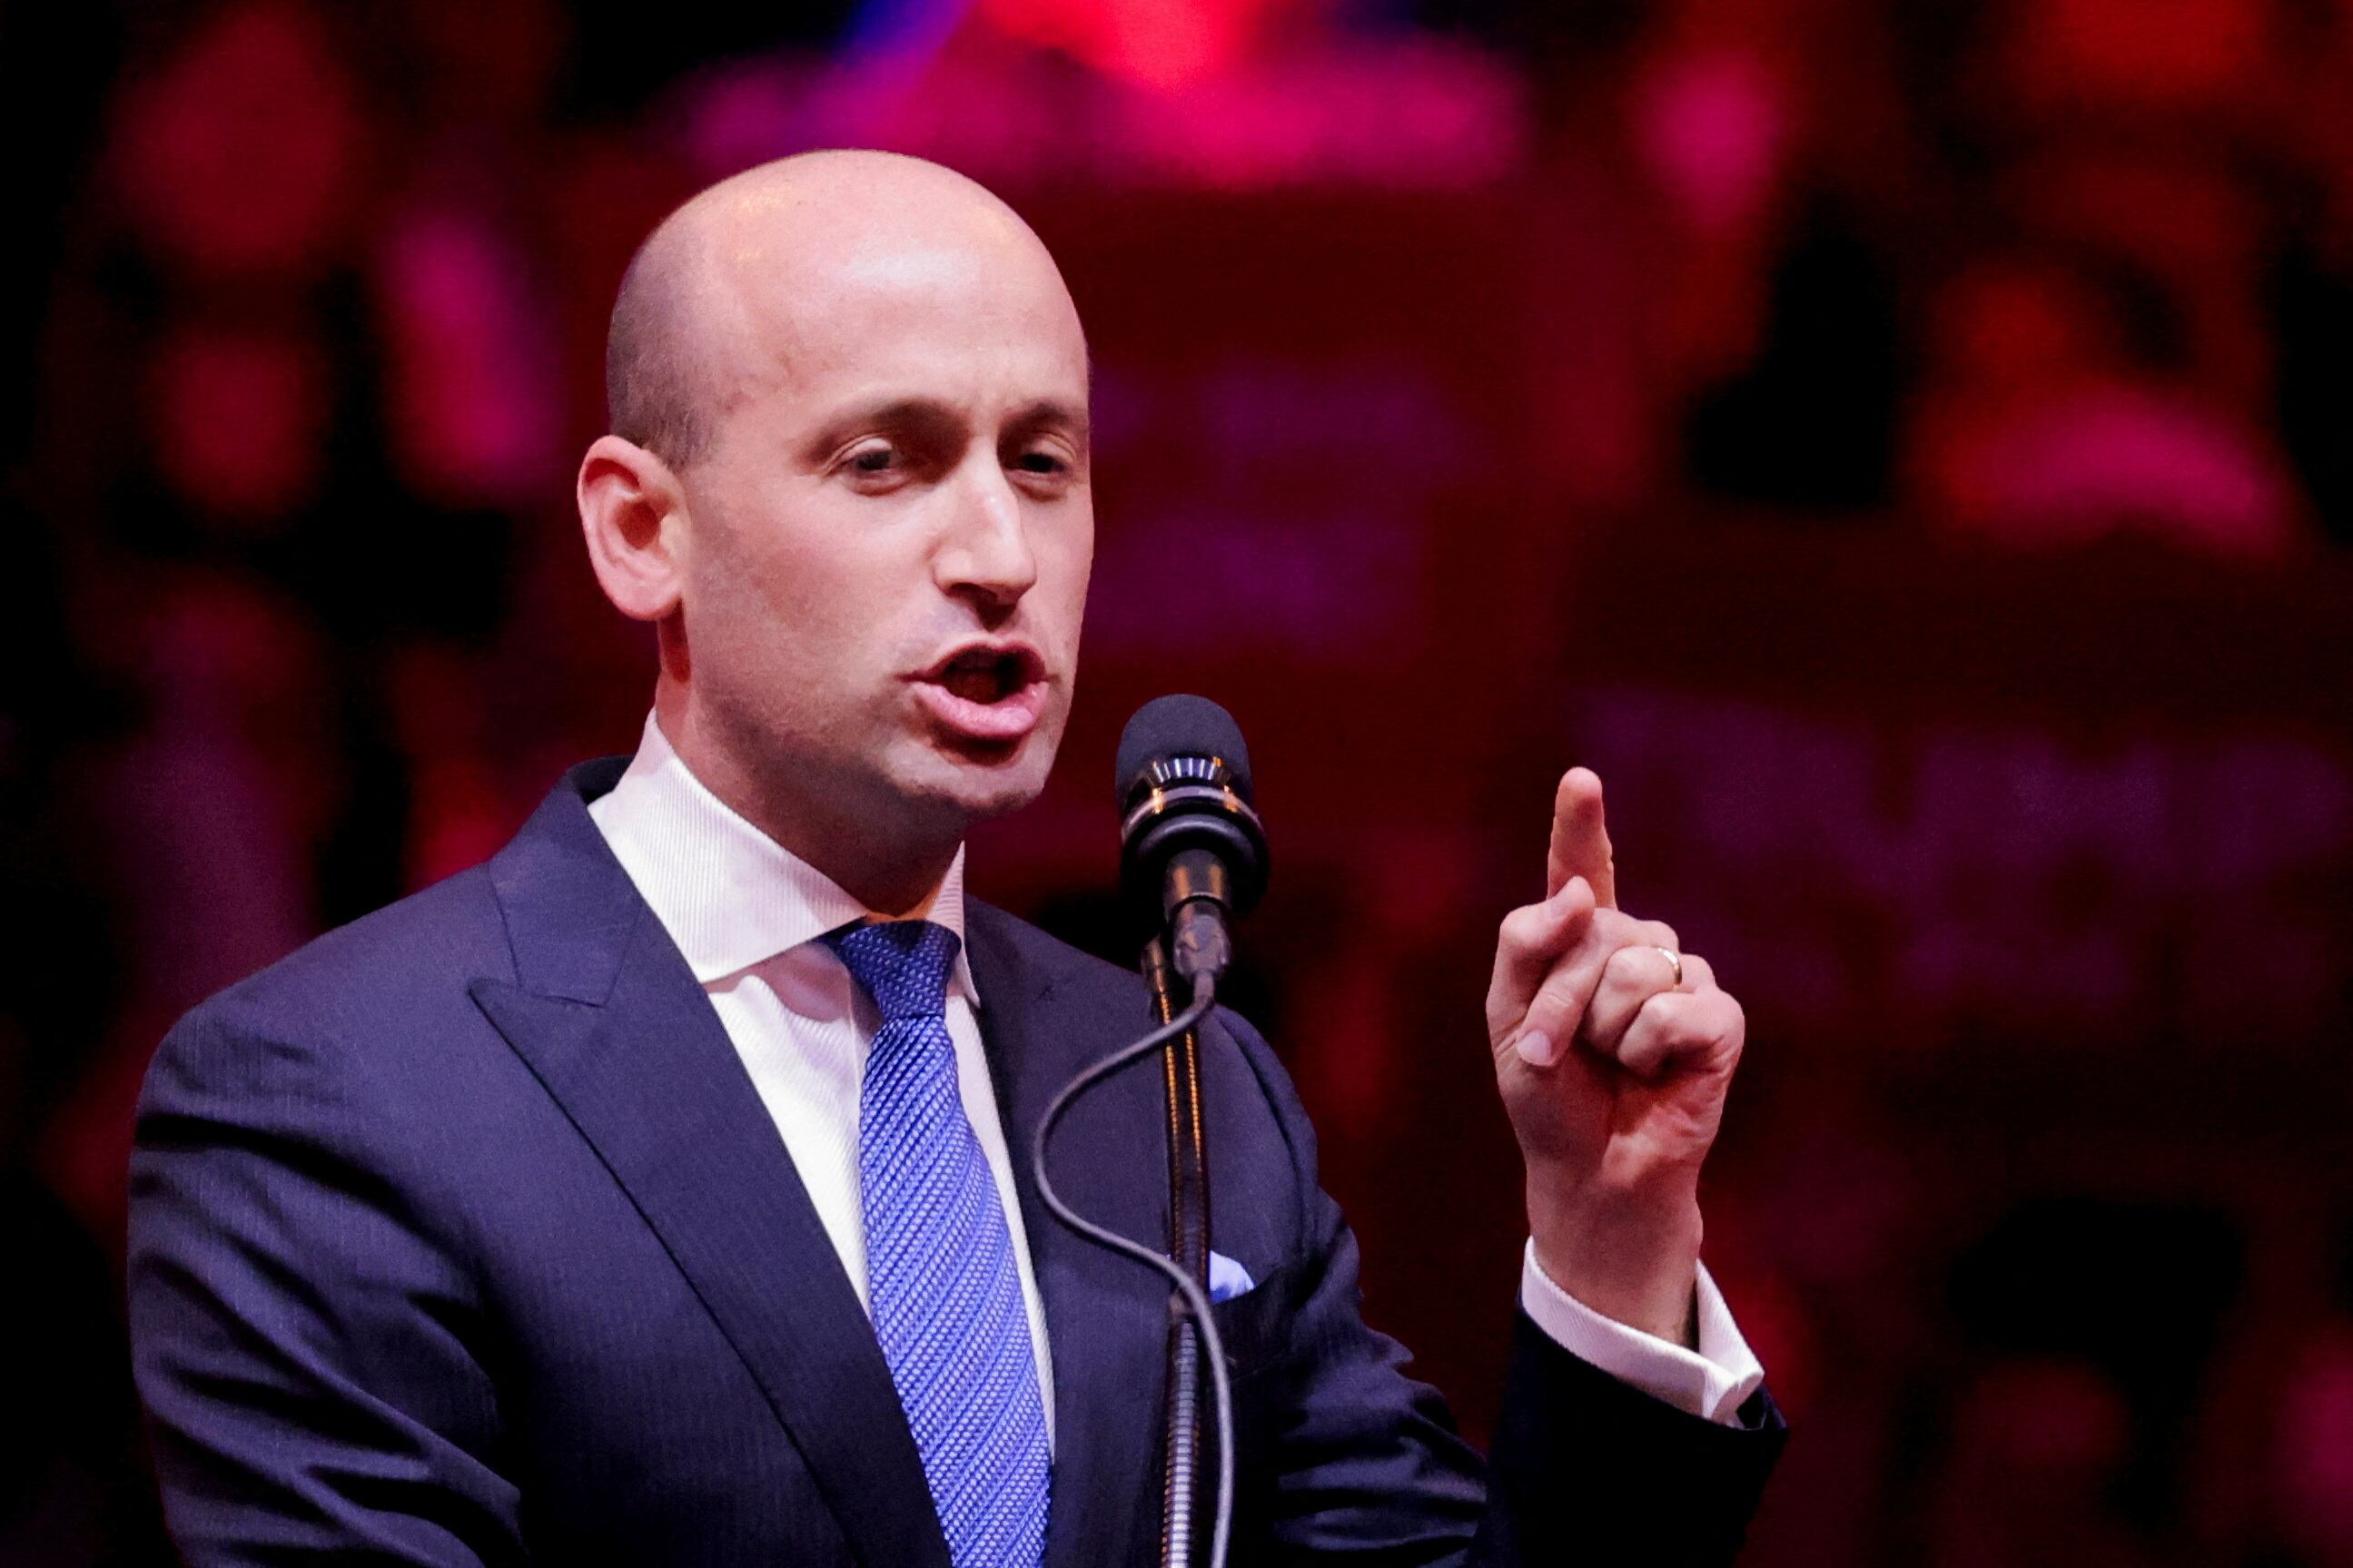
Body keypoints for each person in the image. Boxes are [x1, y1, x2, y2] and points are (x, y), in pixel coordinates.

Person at [128, 150, 1785, 1564]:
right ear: (643, 530)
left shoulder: (1184, 1095)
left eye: (1042, 463)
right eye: (887, 460)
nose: (1000, 554)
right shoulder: (337, 1101)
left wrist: (1608, 1230)